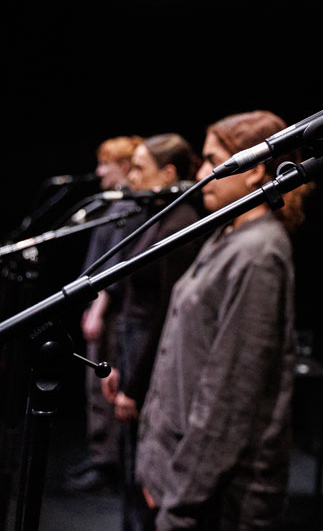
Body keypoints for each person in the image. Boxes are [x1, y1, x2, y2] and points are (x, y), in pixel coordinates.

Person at [135, 111, 311, 531]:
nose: (202, 172)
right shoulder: (227, 235)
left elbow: (231, 394)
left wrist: (182, 499)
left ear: (254, 173)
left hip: (215, 497)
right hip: (186, 476)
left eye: (213, 158)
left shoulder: (259, 253)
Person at [101, 133, 205, 531]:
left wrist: (135, 386)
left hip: (148, 353)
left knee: (143, 468)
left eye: (140, 170)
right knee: (130, 466)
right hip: (131, 346)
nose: (131, 179)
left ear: (169, 173)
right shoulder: (155, 217)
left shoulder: (181, 225)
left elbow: (164, 314)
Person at [66, 134, 145, 494]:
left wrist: (97, 309)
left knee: (104, 385)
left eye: (106, 164)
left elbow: (116, 267)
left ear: (125, 167)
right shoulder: (113, 205)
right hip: (100, 304)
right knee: (93, 385)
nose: (99, 171)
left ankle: (108, 461)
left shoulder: (128, 209)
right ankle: (100, 454)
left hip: (111, 309)